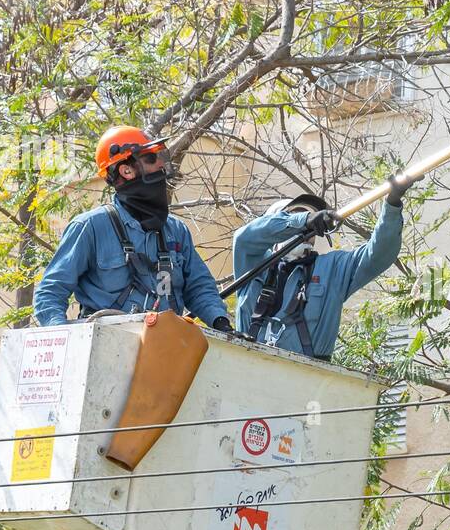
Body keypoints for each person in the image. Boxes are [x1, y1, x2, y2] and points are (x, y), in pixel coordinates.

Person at [34, 126, 232, 331]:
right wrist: (63, 336)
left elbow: (199, 287)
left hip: (165, 347)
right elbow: (50, 293)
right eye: (151, 158)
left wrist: (220, 322)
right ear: (126, 171)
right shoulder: (90, 227)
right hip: (108, 347)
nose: (162, 163)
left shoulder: (175, 231)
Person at [231, 178, 410, 360]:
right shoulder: (254, 265)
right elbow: (244, 238)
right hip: (246, 367)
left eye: (312, 222)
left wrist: (392, 205)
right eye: (294, 215)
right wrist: (303, 221)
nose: (304, 231)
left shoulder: (332, 269)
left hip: (307, 377)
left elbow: (379, 254)